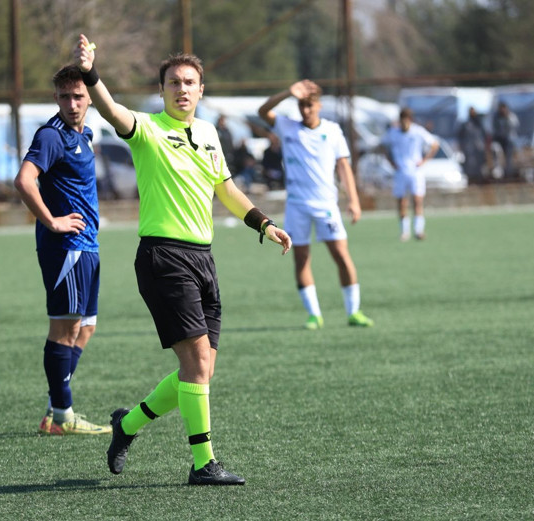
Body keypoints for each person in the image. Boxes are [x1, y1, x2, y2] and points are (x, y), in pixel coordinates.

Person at [74, 34, 291, 486]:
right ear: (162, 90)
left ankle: (127, 425)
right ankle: (203, 463)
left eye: (190, 82)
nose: (182, 89)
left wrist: (264, 223)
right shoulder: (146, 129)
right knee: (195, 362)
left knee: (201, 369)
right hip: (163, 257)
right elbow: (112, 111)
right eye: (174, 82)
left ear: (201, 90)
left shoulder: (210, 133)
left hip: (203, 259)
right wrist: (92, 73)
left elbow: (226, 190)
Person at [14, 65, 112, 437]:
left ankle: (56, 407)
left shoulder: (84, 133)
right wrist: (53, 221)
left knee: (86, 328)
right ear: (55, 98)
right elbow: (24, 180)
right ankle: (62, 415)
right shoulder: (52, 136)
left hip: (87, 246)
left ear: (89, 99)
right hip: (66, 246)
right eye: (65, 97)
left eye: (79, 96)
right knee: (66, 329)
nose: (72, 103)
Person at [258, 80, 374, 330]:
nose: (305, 110)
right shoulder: (287, 127)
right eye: (301, 105)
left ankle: (354, 312)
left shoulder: (332, 131)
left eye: (309, 105)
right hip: (297, 206)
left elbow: (343, 166)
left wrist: (353, 200)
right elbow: (262, 111)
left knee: (341, 256)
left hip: (326, 205)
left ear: (319, 105)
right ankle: (314, 315)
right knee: (300, 258)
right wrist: (288, 92)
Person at [381, 108, 439, 241]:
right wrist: (391, 161)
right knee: (402, 202)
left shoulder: (418, 131)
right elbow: (382, 145)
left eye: (406, 121)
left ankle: (418, 230)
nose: (403, 124)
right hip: (400, 171)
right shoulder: (393, 132)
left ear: (410, 120)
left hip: (416, 172)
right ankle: (404, 232)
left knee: (417, 200)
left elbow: (435, 145)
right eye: (401, 121)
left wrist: (424, 160)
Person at [457, 107, 486, 184]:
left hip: (479, 148)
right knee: (470, 165)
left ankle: (479, 181)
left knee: (479, 166)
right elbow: (460, 136)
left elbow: (484, 134)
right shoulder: (466, 124)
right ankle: (471, 181)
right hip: (469, 148)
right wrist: (462, 147)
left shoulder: (479, 123)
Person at [492, 101, 520, 179]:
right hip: (498, 139)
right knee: (497, 155)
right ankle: (498, 173)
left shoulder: (511, 116)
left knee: (509, 158)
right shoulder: (496, 117)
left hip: (508, 140)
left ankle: (508, 174)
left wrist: (507, 117)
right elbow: (493, 128)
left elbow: (515, 126)